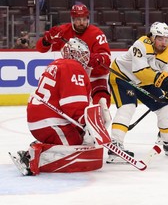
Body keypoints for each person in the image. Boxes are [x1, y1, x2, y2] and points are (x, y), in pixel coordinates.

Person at [9, 38, 105, 176]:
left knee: (81, 137)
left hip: (41, 120)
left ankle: (35, 151)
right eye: (82, 54)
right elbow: (73, 104)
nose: (85, 59)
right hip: (51, 122)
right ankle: (31, 159)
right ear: (73, 53)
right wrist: (86, 124)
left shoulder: (57, 64)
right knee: (79, 145)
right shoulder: (73, 67)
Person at [107, 22, 168, 163]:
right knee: (128, 107)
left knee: (165, 108)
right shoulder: (141, 44)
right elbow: (140, 71)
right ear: (153, 37)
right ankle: (115, 145)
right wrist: (162, 80)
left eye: (167, 39)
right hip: (122, 76)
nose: (164, 43)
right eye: (160, 39)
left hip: (146, 81)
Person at [36, 4, 111, 107]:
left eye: (84, 19)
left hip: (95, 75)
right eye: (78, 19)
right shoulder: (64, 32)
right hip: (74, 76)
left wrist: (99, 59)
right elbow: (41, 48)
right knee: (73, 103)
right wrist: (47, 40)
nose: (81, 23)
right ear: (72, 20)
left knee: (102, 100)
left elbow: (107, 59)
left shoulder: (96, 34)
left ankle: (100, 119)